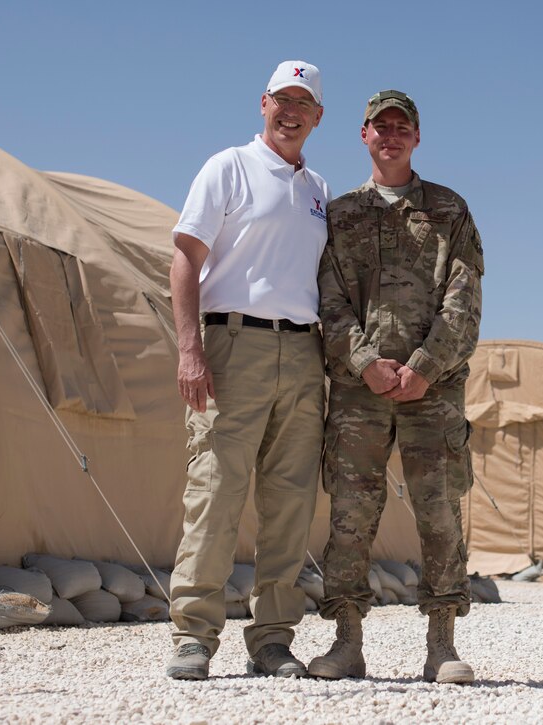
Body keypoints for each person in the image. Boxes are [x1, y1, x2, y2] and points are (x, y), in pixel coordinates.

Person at [310, 90, 484, 684]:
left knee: (439, 514)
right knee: (351, 515)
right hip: (360, 392)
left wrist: (424, 368)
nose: (390, 135)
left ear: (416, 137)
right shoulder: (339, 215)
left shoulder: (449, 211)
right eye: (379, 126)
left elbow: (464, 301)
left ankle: (442, 646)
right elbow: (328, 300)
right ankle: (346, 642)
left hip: (431, 393)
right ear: (363, 135)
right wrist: (365, 363)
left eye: (401, 127)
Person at [164, 60, 329, 681]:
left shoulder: (318, 191)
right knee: (216, 491)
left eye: (303, 103)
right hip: (234, 346)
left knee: (289, 502)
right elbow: (185, 259)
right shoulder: (227, 167)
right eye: (281, 99)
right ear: (263, 104)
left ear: (318, 117)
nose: (291, 111)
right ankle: (193, 636)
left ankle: (272, 639)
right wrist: (189, 349)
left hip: (303, 354)